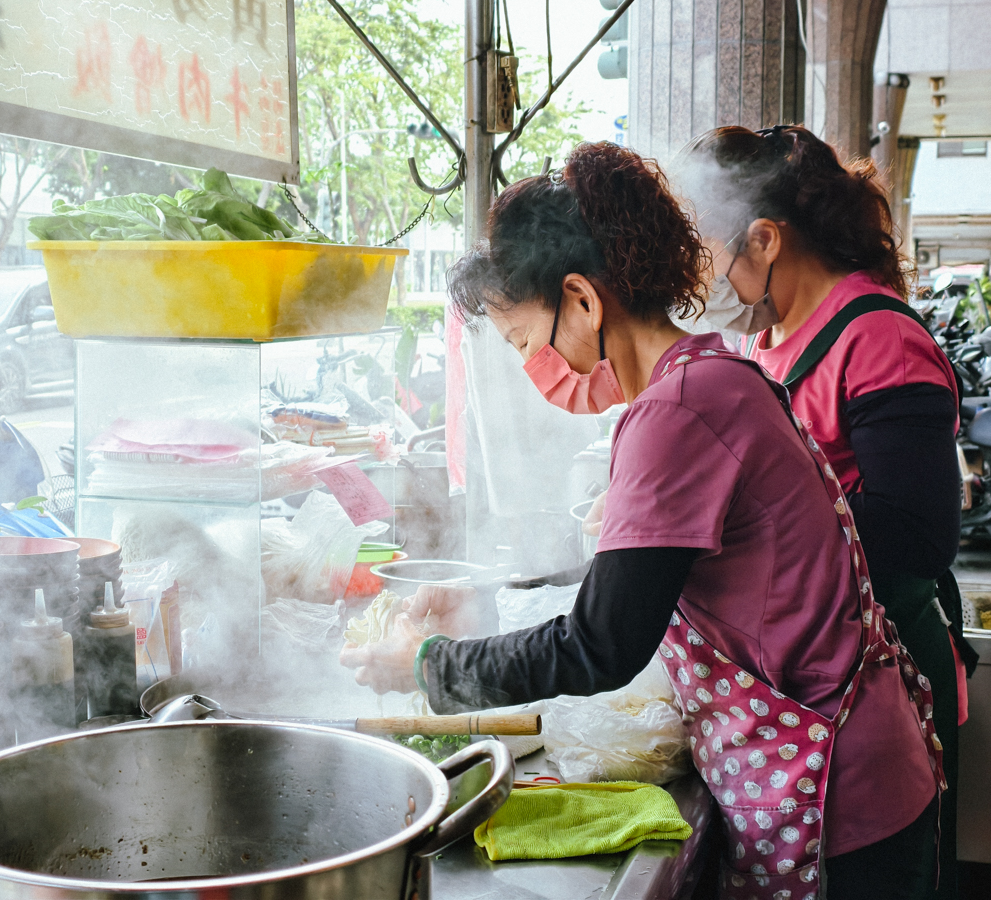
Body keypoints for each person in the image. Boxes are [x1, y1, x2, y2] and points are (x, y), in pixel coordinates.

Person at [342, 142, 945, 899]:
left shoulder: (680, 410)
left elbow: (602, 642)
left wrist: (431, 666)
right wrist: (480, 600)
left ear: (583, 300)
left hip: (836, 792)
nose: (534, 365)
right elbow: (638, 570)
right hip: (838, 763)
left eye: (525, 339)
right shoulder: (709, 377)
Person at [681, 124, 973, 900]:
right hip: (807, 680)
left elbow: (918, 534)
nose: (699, 276)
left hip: (885, 678)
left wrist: (728, 530)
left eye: (706, 249)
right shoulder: (765, 344)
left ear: (765, 238)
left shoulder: (879, 339)